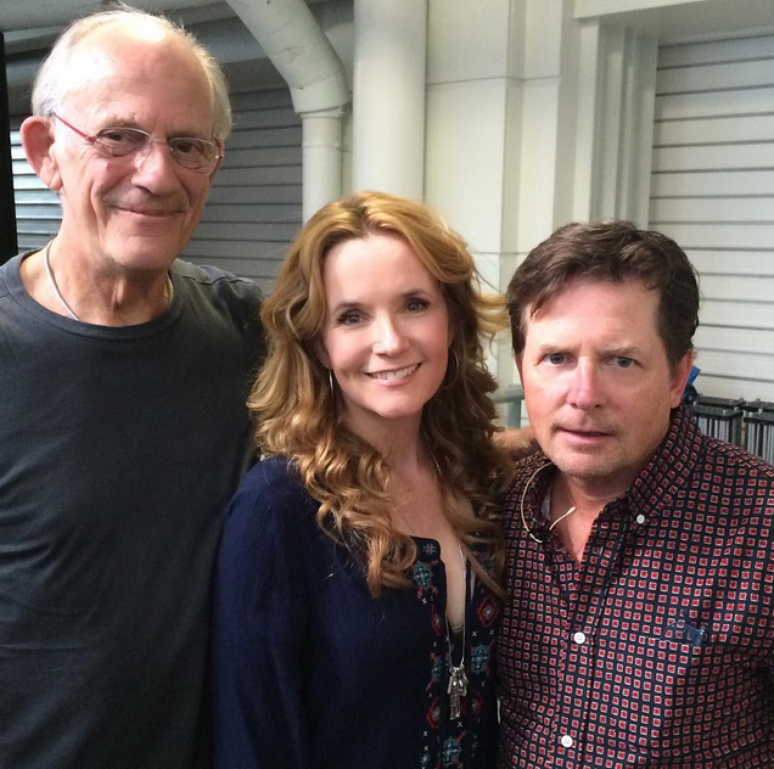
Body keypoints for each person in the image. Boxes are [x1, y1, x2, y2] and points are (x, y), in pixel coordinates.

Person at [0, 8, 264, 769]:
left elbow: (393, 433)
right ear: (46, 152)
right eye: (120, 136)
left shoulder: (247, 331)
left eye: (188, 145)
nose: (157, 173)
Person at [212, 191, 511, 769]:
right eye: (352, 316)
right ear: (317, 343)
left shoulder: (481, 479)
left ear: (452, 320)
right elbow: (253, 738)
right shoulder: (278, 507)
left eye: (415, 304)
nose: (391, 341)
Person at [497, 220, 774, 768]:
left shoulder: (762, 526)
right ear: (523, 371)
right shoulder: (494, 503)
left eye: (621, 360)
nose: (584, 395)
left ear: (678, 377)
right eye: (556, 358)